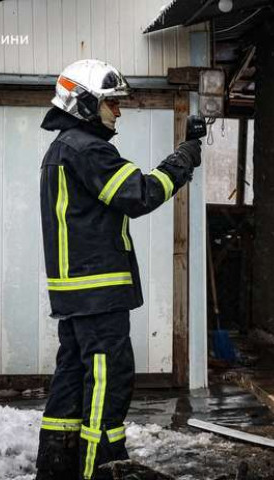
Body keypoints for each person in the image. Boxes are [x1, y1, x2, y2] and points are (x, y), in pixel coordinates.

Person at [35, 59, 202, 479]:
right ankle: (100, 469)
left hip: (77, 295)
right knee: (108, 384)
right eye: (112, 103)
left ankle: (56, 469)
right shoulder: (87, 149)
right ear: (86, 104)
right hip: (98, 294)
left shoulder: (62, 148)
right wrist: (182, 160)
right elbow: (139, 194)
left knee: (71, 380)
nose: (119, 112)